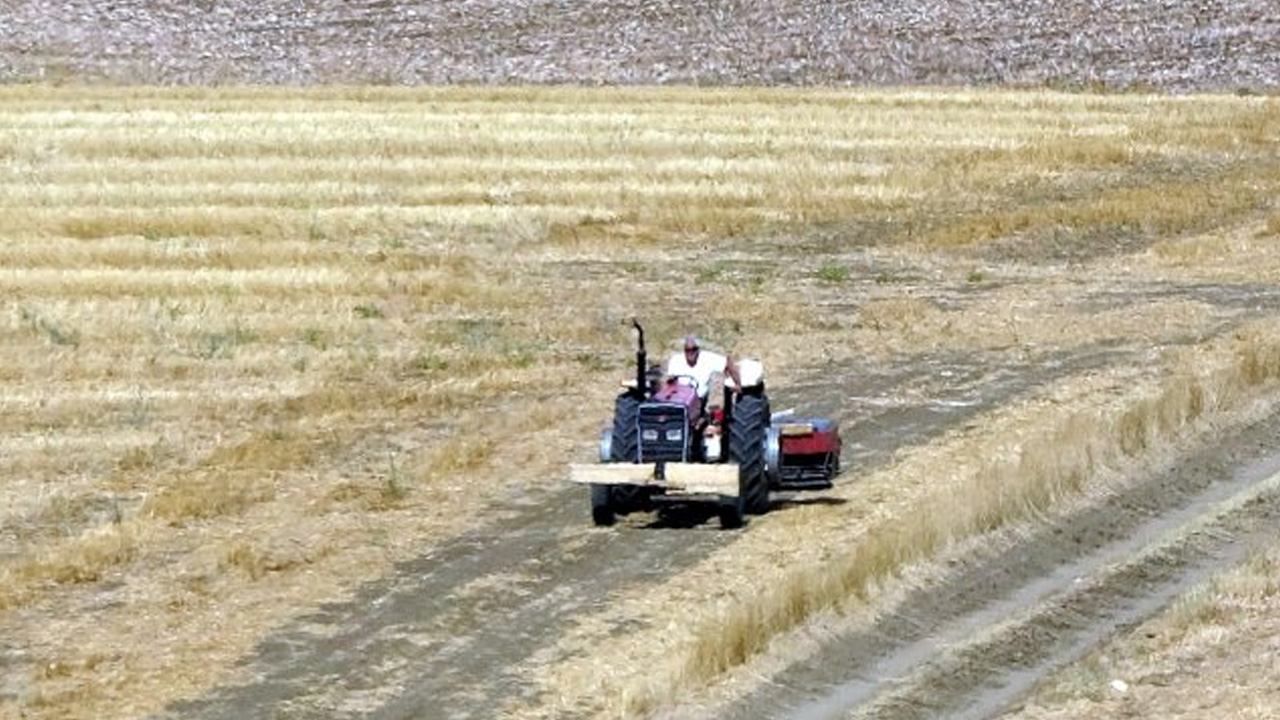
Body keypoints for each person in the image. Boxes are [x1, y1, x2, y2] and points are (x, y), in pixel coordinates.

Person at [666, 335, 741, 402]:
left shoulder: (707, 358)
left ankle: (715, 411)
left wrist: (737, 384)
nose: (691, 352)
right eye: (687, 350)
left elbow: (727, 362)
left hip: (702, 398)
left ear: (698, 349)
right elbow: (670, 379)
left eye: (694, 349)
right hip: (681, 397)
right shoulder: (676, 360)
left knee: (717, 379)